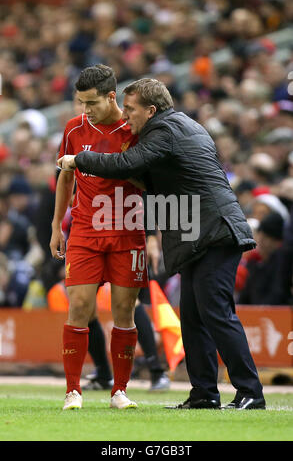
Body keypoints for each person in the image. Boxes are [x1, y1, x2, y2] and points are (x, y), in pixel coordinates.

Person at [58, 77, 266, 410]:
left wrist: (78, 160)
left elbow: (128, 164)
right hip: (198, 232)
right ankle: (204, 393)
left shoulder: (163, 131)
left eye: (131, 109)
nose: (126, 116)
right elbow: (153, 182)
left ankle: (250, 392)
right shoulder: (183, 126)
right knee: (194, 316)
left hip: (213, 231)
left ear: (151, 110)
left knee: (216, 313)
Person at [50, 65, 149, 411]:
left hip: (127, 230)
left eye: (91, 103)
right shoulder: (74, 129)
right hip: (86, 230)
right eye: (81, 103)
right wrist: (56, 227)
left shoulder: (135, 128)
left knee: (124, 311)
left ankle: (119, 391)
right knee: (79, 306)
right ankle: (73, 391)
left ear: (111, 97)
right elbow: (65, 178)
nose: (85, 110)